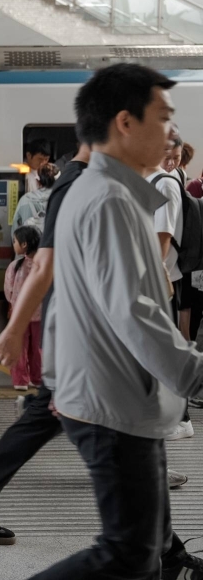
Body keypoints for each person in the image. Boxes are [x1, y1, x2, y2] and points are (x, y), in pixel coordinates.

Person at [25, 64, 203, 579]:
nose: (172, 132)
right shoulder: (108, 201)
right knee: (127, 553)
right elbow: (136, 311)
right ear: (125, 122)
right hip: (113, 400)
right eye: (164, 117)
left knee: (143, 552)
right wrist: (196, 373)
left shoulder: (112, 195)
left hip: (116, 395)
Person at [148, 136, 196, 442]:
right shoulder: (152, 179)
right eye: (168, 155)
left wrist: (148, 277)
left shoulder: (164, 184)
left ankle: (183, 418)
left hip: (164, 280)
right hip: (162, 278)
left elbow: (162, 237)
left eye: (176, 157)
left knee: (165, 352)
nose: (172, 162)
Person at [2, 225, 43, 391]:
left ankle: (20, 381)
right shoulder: (44, 265)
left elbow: (9, 289)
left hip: (19, 314)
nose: (14, 245)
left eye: (15, 242)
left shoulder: (15, 266)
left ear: (24, 244)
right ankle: (37, 378)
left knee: (19, 347)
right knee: (38, 349)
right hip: (40, 314)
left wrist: (11, 305)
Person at [11, 164, 57, 232]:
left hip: (29, 242)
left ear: (38, 181)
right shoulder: (62, 199)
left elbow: (15, 230)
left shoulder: (25, 200)